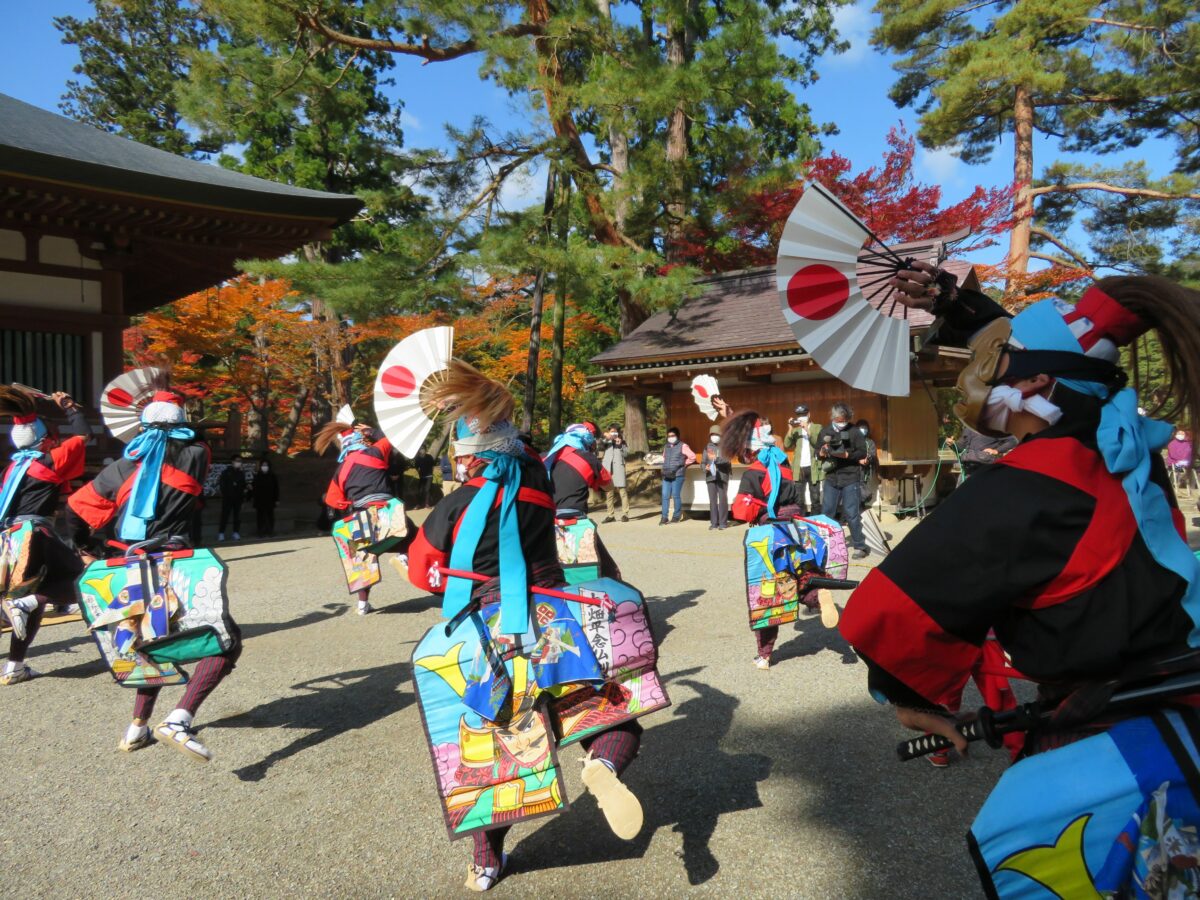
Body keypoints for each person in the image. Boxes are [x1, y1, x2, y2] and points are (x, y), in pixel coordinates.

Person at [838, 263, 1200, 896]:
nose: (974, 373)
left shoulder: (1029, 483)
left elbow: (894, 606)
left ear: (1035, 382)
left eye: (994, 362)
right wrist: (951, 300)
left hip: (1114, 734)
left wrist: (910, 700)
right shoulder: (1116, 449)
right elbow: (1029, 340)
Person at [404, 360, 657, 892]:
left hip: (489, 633)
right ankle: (604, 765)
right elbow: (534, 456)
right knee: (606, 711)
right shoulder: (539, 482)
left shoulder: (455, 505)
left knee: (494, 756)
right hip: (554, 618)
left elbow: (421, 571)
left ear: (470, 457)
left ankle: (486, 862)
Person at [67, 390, 241, 763]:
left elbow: (76, 508)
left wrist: (84, 547)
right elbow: (196, 440)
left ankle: (137, 727)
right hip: (173, 563)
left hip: (125, 563)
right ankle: (179, 719)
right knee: (226, 641)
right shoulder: (196, 455)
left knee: (147, 640)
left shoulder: (120, 467)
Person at [0, 387, 90, 685]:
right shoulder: (48, 462)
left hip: (9, 538)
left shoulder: (12, 468)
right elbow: (82, 436)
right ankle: (24, 604)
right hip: (35, 534)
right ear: (43, 439)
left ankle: (14, 666)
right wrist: (70, 407)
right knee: (84, 581)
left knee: (33, 599)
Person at [724, 412, 812, 669]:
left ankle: (764, 654)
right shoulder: (784, 464)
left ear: (750, 449)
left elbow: (742, 511)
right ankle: (816, 596)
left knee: (766, 591)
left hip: (769, 531)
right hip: (794, 525)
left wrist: (750, 505)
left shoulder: (754, 472)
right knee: (797, 574)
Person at [316, 413, 407, 616]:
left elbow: (332, 501)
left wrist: (350, 500)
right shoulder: (374, 452)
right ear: (362, 441)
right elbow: (391, 437)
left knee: (361, 561)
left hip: (358, 518)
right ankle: (404, 555)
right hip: (384, 510)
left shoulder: (341, 469)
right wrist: (371, 431)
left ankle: (362, 604)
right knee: (410, 533)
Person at [544, 422, 620, 579]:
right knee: (608, 572)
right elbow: (608, 485)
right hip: (576, 522)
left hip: (545, 524)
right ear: (588, 440)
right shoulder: (587, 458)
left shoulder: (546, 458)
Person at [818, 403, 869, 559]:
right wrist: (821, 452)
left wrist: (847, 455)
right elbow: (817, 451)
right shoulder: (825, 431)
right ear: (833, 418)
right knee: (827, 512)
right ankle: (825, 545)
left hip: (850, 477)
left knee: (851, 513)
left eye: (844, 420)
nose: (841, 423)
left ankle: (860, 546)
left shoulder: (854, 431)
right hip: (831, 477)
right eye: (838, 420)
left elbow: (863, 452)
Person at [783, 404, 823, 515]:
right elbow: (787, 444)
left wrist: (807, 429)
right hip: (799, 468)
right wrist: (790, 428)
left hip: (813, 466)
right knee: (799, 499)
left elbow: (818, 443)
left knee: (815, 498)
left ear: (809, 414)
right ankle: (801, 520)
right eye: (799, 415)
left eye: (804, 414)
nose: (802, 417)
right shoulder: (796, 430)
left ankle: (815, 519)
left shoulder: (817, 427)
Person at [659, 426, 695, 525]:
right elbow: (664, 457)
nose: (670, 437)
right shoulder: (666, 446)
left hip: (678, 474)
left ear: (677, 436)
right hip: (666, 474)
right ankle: (664, 517)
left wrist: (684, 463)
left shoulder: (683, 446)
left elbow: (692, 457)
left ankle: (676, 516)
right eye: (669, 436)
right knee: (665, 495)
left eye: (673, 435)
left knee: (675, 495)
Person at [700, 426, 731, 529]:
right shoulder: (707, 447)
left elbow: (727, 460)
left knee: (722, 499)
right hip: (710, 477)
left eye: (716, 434)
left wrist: (716, 460)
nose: (714, 436)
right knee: (712, 500)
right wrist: (705, 467)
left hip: (722, 476)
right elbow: (703, 462)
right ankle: (714, 523)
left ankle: (723, 523)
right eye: (712, 435)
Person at [601, 424, 630, 523]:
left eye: (615, 431)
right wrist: (605, 437)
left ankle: (625, 514)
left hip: (619, 469)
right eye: (611, 431)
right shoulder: (606, 442)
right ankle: (610, 515)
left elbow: (626, 454)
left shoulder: (623, 442)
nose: (613, 433)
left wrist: (620, 445)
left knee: (623, 492)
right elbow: (599, 447)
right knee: (609, 493)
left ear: (618, 432)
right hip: (608, 469)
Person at [217, 457, 247, 541]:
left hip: (238, 498)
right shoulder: (226, 472)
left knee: (237, 516)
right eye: (237, 461)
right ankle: (221, 533)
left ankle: (236, 532)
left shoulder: (241, 473)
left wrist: (244, 492)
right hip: (228, 498)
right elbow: (222, 485)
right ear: (232, 462)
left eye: (240, 461)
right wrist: (226, 494)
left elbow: (243, 485)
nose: (238, 463)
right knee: (225, 516)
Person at [252, 458, 280, 537]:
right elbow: (254, 488)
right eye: (263, 465)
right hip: (260, 500)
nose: (265, 467)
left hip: (270, 499)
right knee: (260, 516)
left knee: (270, 516)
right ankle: (260, 531)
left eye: (266, 465)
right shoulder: (257, 476)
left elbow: (276, 488)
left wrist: (277, 499)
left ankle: (270, 531)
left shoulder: (272, 476)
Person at [855, 419, 880, 507]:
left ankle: (862, 506)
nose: (863, 430)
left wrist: (868, 460)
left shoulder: (870, 442)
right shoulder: (853, 441)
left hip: (865, 472)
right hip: (854, 470)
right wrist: (858, 460)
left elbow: (873, 454)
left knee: (863, 490)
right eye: (861, 428)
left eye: (865, 428)